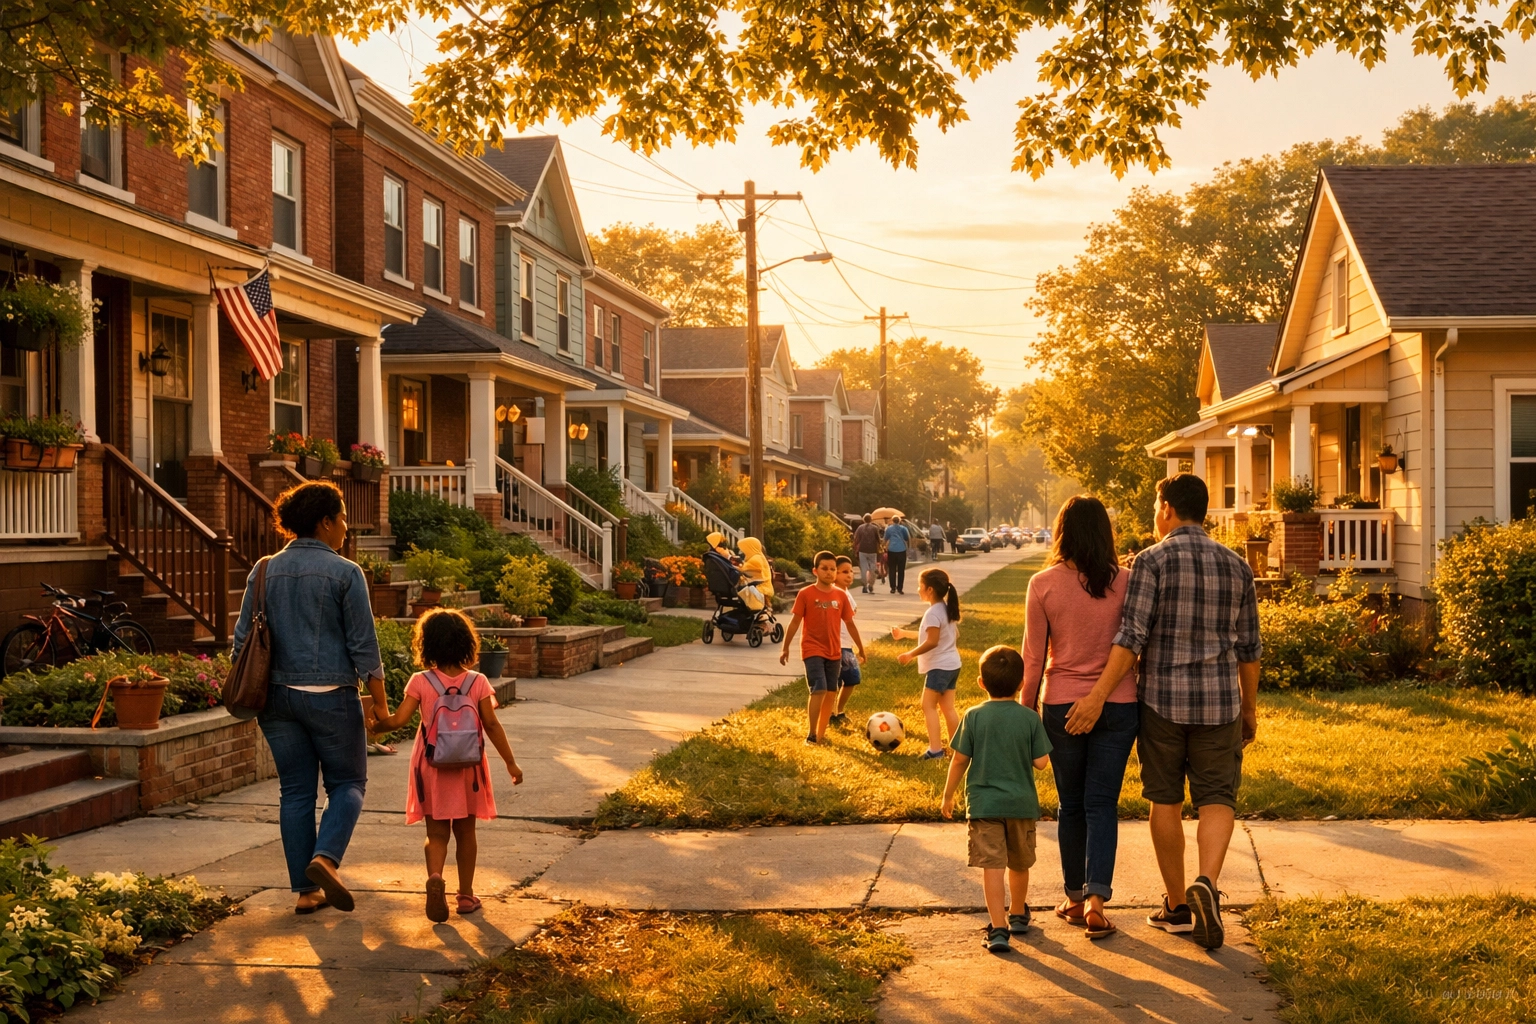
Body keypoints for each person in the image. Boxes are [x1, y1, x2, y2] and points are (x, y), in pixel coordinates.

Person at [1078, 473, 1260, 951]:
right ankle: (1208, 883)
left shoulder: (1151, 562)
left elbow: (1131, 637)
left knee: (1166, 798)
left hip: (1161, 701)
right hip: (1221, 701)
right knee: (1218, 796)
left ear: (1166, 509)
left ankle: (1178, 906)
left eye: (1157, 505)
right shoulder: (1237, 565)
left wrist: (1097, 694)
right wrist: (1249, 709)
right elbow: (1250, 649)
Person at [232, 481, 388, 916]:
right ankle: (326, 858)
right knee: (348, 783)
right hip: (330, 697)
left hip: (276, 700)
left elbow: (241, 641)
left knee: (295, 792)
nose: (345, 529)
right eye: (341, 520)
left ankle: (306, 890)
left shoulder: (263, 569)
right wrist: (380, 704)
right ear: (324, 522)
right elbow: (364, 647)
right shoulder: (345, 572)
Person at [1021, 496, 1139, 940]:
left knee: (1070, 805)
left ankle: (1071, 897)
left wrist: (1026, 711)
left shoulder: (1043, 583)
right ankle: (1096, 901)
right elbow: (1135, 647)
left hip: (1061, 705)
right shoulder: (1127, 581)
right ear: (1105, 532)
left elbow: (1033, 658)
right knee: (1102, 804)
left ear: (1061, 531)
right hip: (1119, 704)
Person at [370, 608, 523, 921]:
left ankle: (436, 878)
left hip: (432, 767)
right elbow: (492, 725)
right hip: (470, 768)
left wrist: (376, 726)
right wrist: (511, 763)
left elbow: (399, 720)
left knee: (437, 833)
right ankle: (466, 897)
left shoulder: (420, 682)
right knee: (466, 833)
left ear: (427, 646)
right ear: (466, 644)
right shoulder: (477, 682)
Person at [940, 645, 1053, 954]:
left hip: (984, 807)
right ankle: (1018, 914)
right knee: (1019, 863)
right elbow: (1042, 762)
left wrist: (948, 795)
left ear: (981, 682)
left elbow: (960, 760)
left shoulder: (973, 717)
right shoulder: (1029, 718)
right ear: (1021, 684)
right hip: (1021, 805)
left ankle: (999, 928)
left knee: (993, 867)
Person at [779, 550, 866, 744]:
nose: (829, 572)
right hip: (812, 648)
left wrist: (860, 646)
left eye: (832, 569)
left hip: (834, 650)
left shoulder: (841, 596)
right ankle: (811, 734)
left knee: (830, 692)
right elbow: (795, 622)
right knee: (818, 689)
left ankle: (821, 734)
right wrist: (785, 647)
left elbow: (850, 623)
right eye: (824, 568)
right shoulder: (806, 594)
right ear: (815, 571)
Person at [894, 567, 963, 759]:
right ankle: (958, 749)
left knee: (928, 706)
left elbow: (932, 641)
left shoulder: (933, 613)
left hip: (939, 667)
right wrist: (904, 634)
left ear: (929, 589)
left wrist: (910, 654)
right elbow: (933, 636)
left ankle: (935, 750)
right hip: (952, 665)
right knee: (948, 708)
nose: (918, 589)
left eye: (920, 586)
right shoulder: (945, 609)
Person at [828, 556, 861, 726]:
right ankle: (831, 713)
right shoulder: (833, 593)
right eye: (844, 572)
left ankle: (837, 711)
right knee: (839, 681)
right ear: (834, 573)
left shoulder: (846, 592)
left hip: (846, 644)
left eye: (851, 572)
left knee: (850, 679)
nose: (849, 575)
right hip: (837, 644)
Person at [736, 536, 774, 611]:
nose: (743, 551)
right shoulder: (757, 557)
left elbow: (747, 571)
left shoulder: (756, 559)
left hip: (759, 587)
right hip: (759, 586)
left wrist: (734, 567)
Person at [852, 514, 884, 593]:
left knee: (864, 568)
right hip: (872, 550)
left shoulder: (860, 528)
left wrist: (855, 548)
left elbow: (856, 539)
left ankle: (864, 585)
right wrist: (880, 546)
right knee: (872, 568)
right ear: (871, 519)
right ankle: (871, 584)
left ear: (863, 519)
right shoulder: (874, 528)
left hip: (862, 550)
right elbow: (878, 539)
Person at [884, 516, 911, 594]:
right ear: (899, 521)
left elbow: (885, 539)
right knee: (901, 570)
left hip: (891, 550)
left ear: (892, 521)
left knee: (892, 569)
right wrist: (908, 548)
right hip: (901, 550)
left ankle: (892, 587)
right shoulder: (903, 529)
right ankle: (900, 588)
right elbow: (907, 538)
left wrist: (884, 547)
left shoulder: (889, 529)